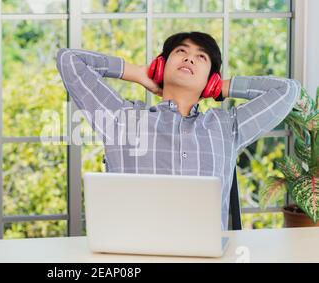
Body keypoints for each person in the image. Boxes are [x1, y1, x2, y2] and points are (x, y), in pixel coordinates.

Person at [56, 31, 301, 230]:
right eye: (181, 51)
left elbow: (287, 91)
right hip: (131, 256)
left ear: (211, 79)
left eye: (201, 57)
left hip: (205, 257)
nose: (189, 58)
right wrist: (138, 73)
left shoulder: (228, 127)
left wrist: (222, 87)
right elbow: (69, 60)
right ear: (161, 66)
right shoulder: (122, 119)